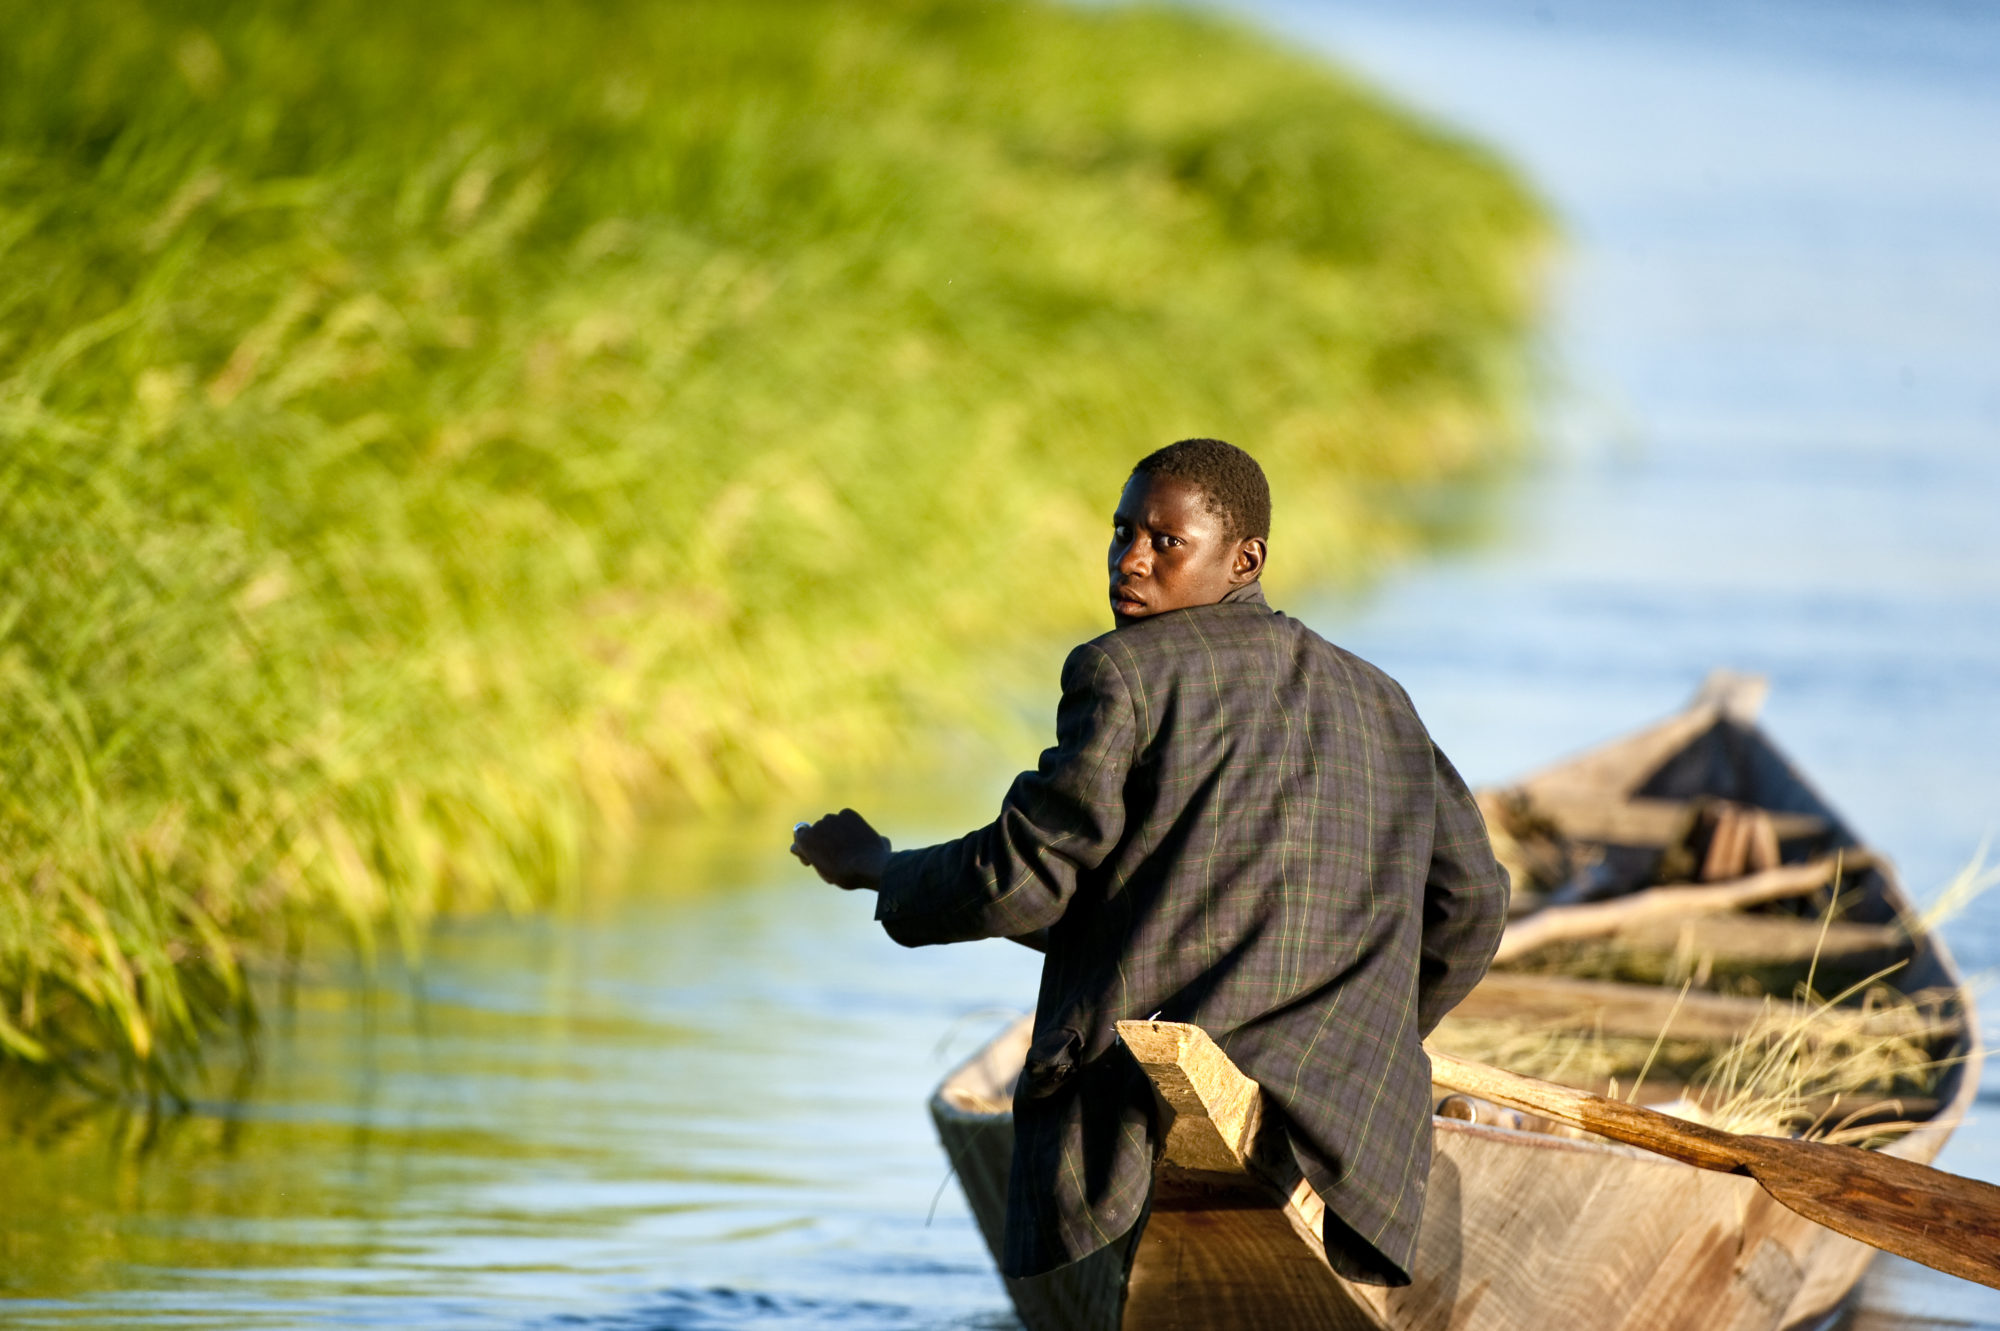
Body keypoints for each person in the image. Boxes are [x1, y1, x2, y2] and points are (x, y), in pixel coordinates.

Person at [791, 437, 1507, 1287]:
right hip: (1344, 1132)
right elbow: (1472, 903)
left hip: (1144, 1116)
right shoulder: (1381, 698)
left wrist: (880, 866)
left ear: (1245, 559)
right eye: (1122, 530)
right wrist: (1373, 1036)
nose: (1131, 560)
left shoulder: (1121, 670)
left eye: (1165, 541)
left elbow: (1024, 878)